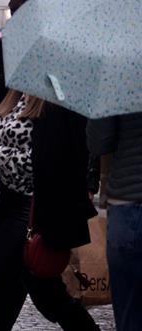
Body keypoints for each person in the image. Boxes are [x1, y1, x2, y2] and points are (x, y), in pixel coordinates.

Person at [0, 91, 99, 330]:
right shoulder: (16, 99)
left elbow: (38, 163)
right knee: (36, 294)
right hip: (5, 207)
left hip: (33, 210)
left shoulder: (54, 107)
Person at [87, 113, 142, 331]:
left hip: (127, 204)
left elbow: (98, 142)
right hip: (127, 208)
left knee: (130, 315)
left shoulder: (118, 91)